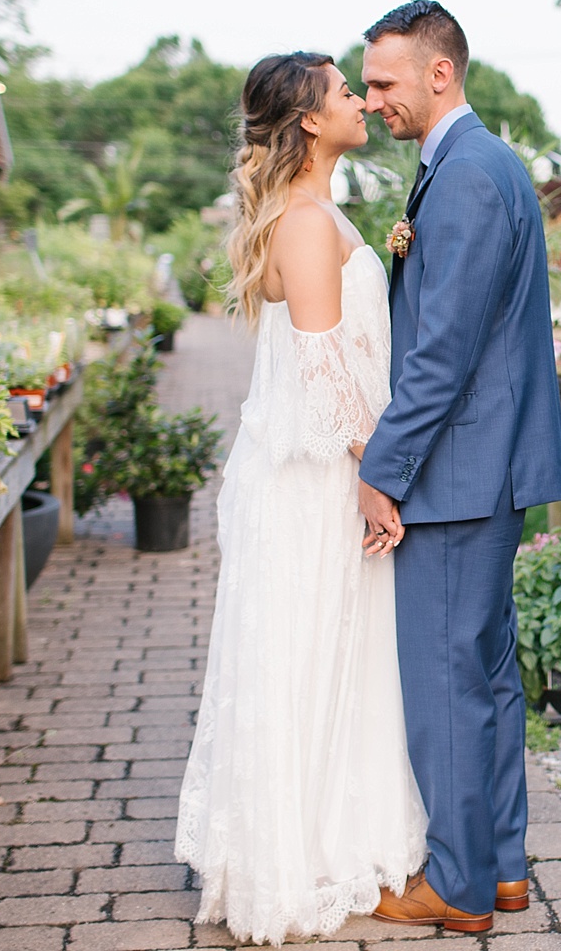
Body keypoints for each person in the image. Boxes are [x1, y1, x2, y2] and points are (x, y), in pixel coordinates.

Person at [175, 52, 427, 944]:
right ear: (313, 121)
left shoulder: (312, 212)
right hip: (320, 471)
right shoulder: (309, 221)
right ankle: (305, 857)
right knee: (315, 647)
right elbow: (327, 370)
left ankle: (317, 837)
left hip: (300, 465)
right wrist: (376, 478)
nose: (362, 99)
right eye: (346, 89)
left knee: (315, 647)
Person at [356, 0, 561, 932]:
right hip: (483, 467)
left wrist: (385, 469)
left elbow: (441, 352)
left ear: (440, 72)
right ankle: (504, 865)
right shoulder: (463, 166)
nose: (372, 102)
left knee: (446, 679)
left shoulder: (471, 177)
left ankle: (457, 886)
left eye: (384, 83)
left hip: (458, 474)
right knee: (483, 672)